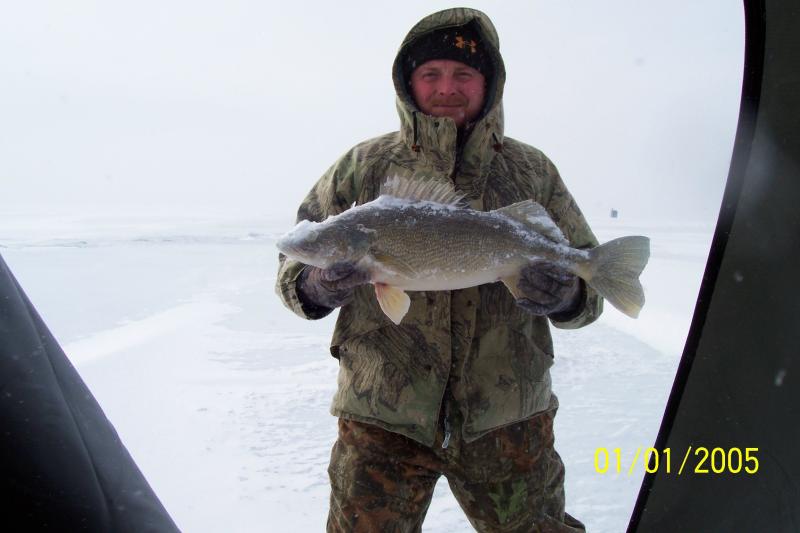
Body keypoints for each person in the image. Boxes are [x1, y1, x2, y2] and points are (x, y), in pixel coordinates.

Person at [276, 7, 602, 532]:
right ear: (409, 84)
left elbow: (591, 285)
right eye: (431, 74)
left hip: (509, 418)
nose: (446, 87)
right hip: (381, 420)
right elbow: (294, 254)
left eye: (463, 74)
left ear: (488, 83)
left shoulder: (532, 170)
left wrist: (565, 296)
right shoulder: (362, 166)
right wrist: (313, 284)